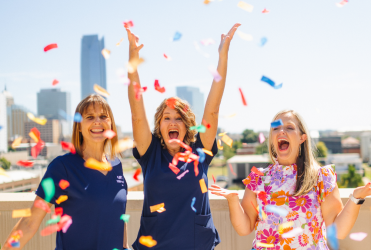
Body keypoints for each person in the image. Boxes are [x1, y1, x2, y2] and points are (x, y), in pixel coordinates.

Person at [125, 23, 241, 249]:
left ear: (187, 125)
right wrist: (132, 61)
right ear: (159, 125)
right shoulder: (150, 153)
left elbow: (213, 109)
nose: (172, 122)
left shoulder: (200, 149)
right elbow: (137, 115)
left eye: (178, 118)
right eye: (166, 118)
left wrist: (223, 55)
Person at [210, 110, 371, 249]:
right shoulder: (258, 179)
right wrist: (232, 200)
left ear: (302, 138)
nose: (281, 131)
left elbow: (338, 232)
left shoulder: (320, 177)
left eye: (289, 127)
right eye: (276, 128)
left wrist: (356, 198)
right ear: (272, 138)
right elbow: (244, 228)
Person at [3, 94, 130, 250]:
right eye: (90, 117)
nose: (97, 121)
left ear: (111, 124)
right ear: (79, 127)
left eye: (103, 116)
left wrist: (125, 246)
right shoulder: (62, 167)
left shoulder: (117, 165)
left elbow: (118, 215)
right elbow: (30, 223)